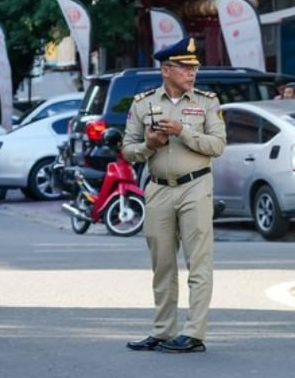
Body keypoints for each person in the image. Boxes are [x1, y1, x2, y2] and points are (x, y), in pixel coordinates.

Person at [121, 36, 226, 353]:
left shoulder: (207, 102)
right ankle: (163, 331)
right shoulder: (143, 103)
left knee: (199, 263)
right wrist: (148, 146)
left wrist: (183, 132)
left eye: (194, 67)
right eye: (184, 67)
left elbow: (217, 146)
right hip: (158, 188)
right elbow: (127, 150)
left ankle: (194, 334)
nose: (192, 73)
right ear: (166, 69)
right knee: (162, 264)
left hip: (196, 185)